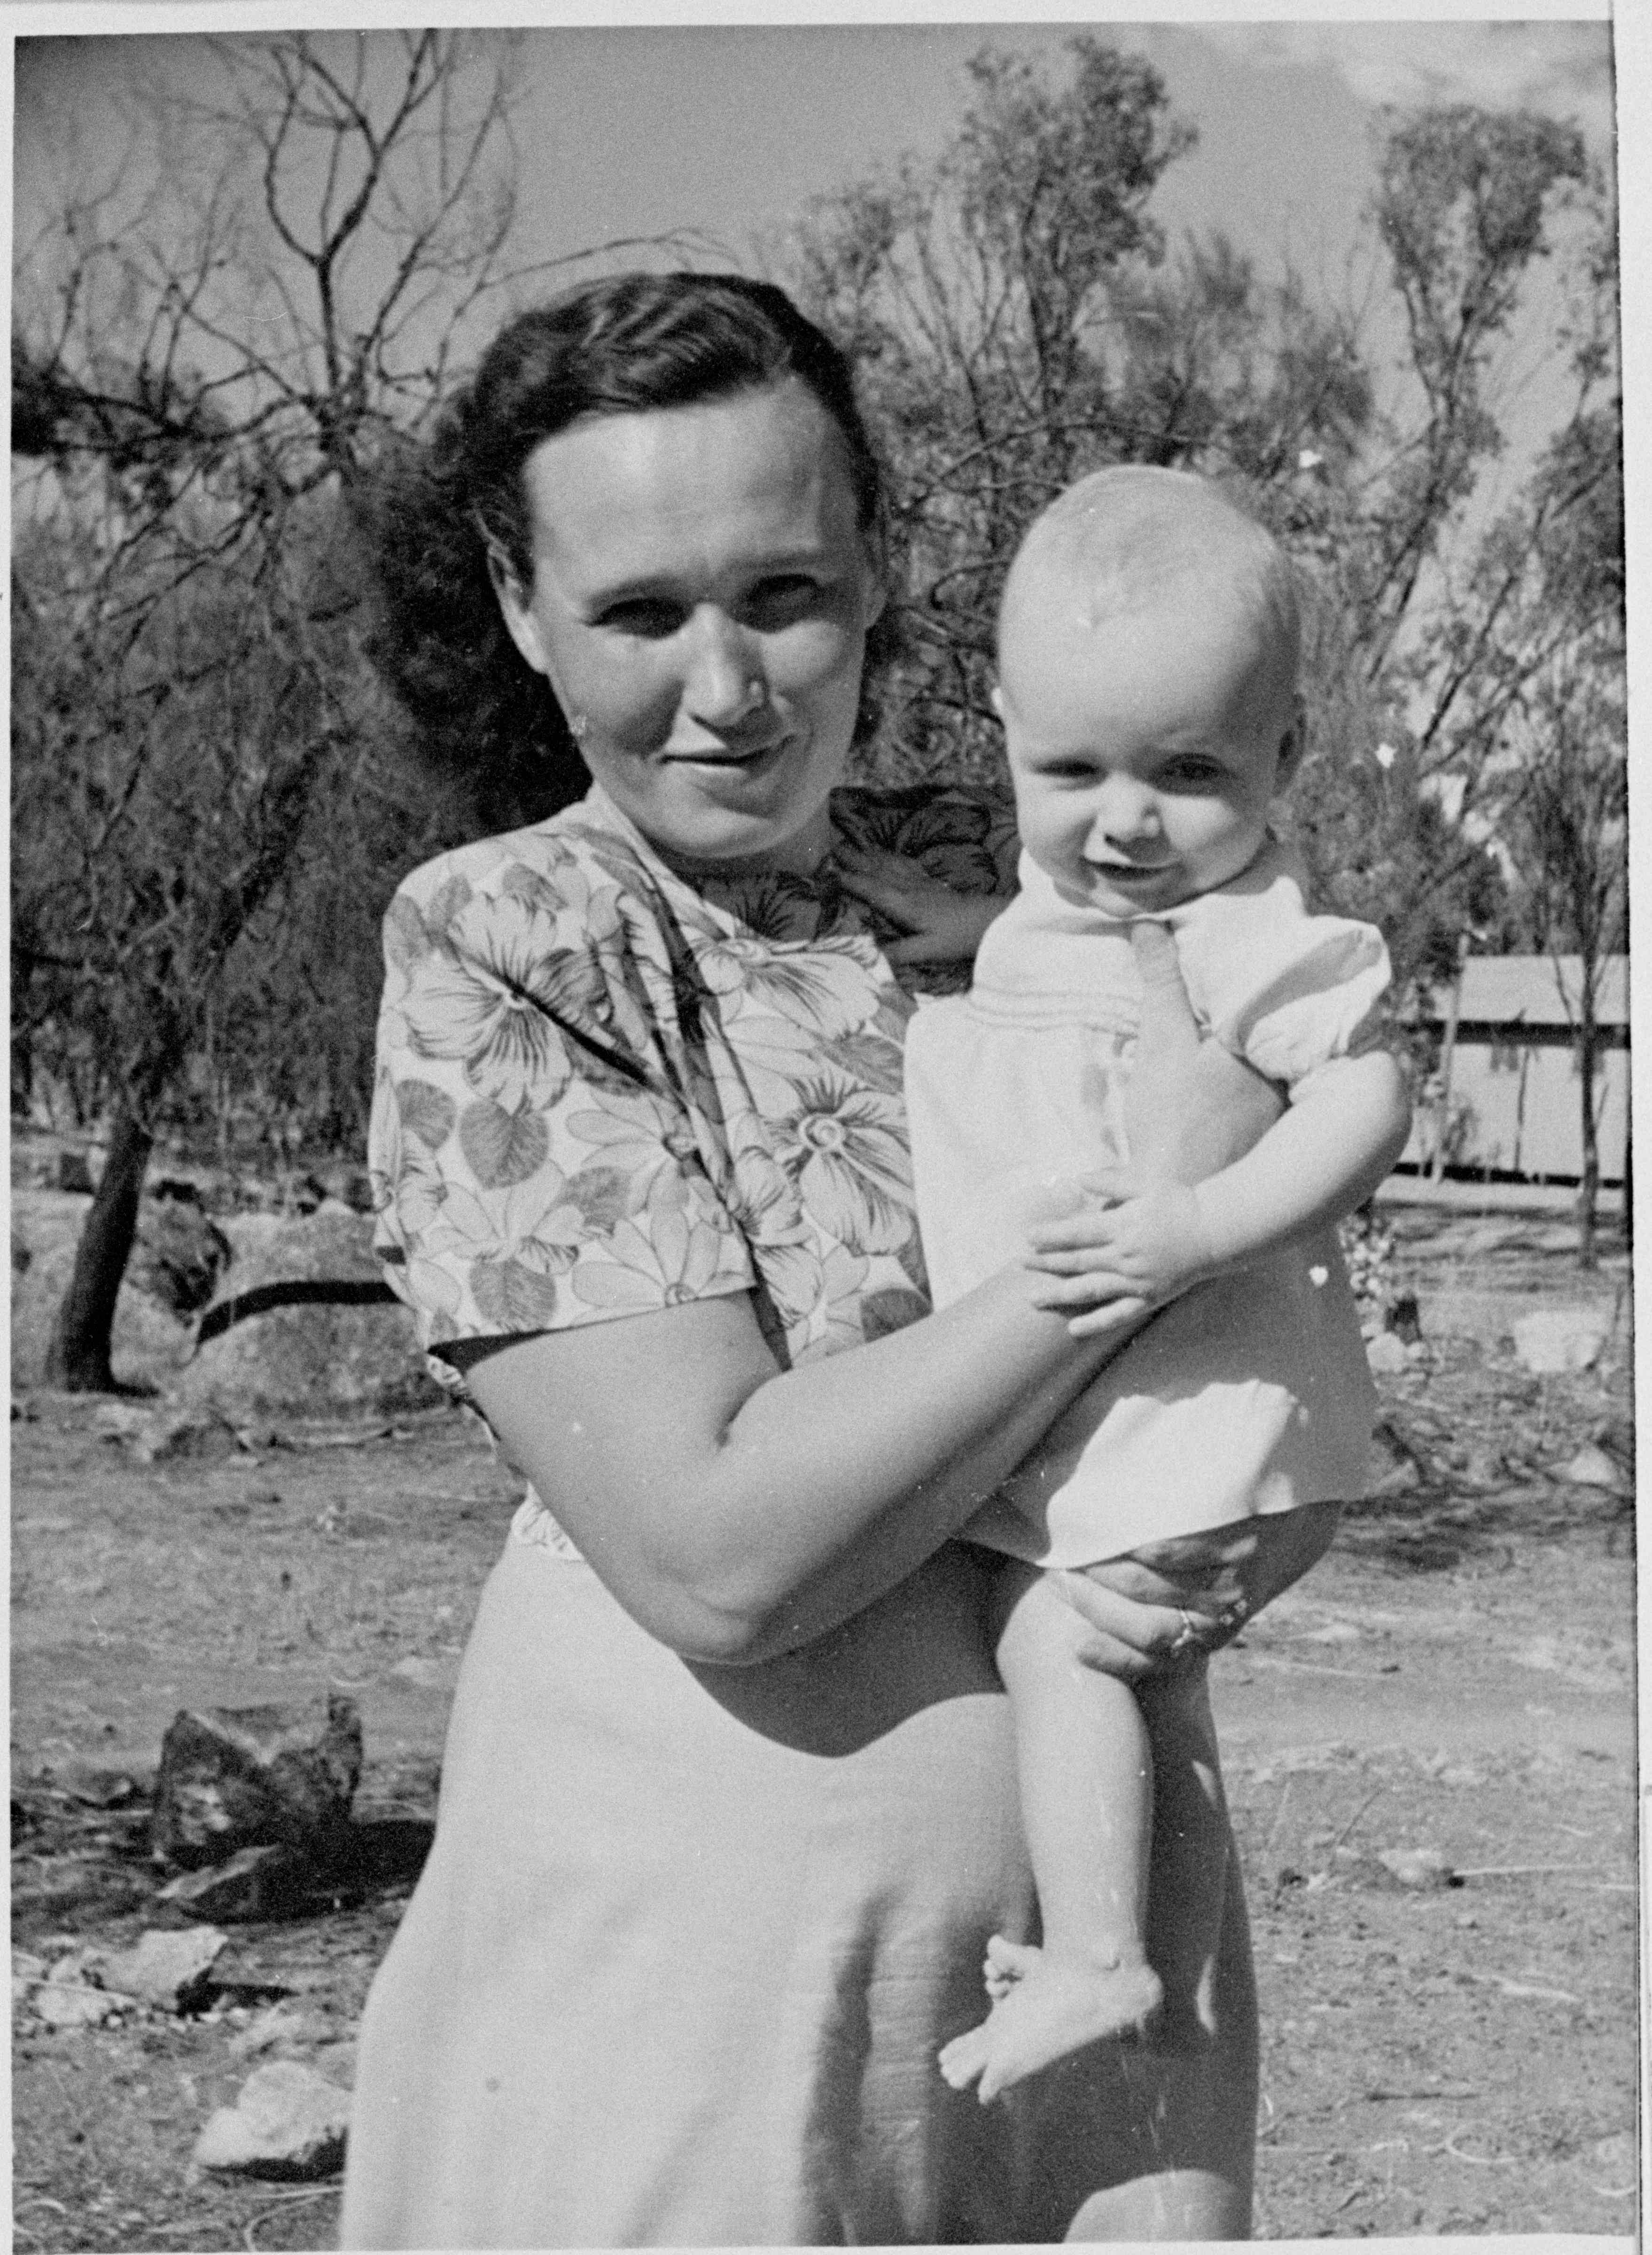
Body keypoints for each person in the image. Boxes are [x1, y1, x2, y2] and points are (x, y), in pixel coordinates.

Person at [340, 272, 1396, 2249]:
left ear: (877, 575)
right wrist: (1135, 1237)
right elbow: (720, 1552)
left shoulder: (1039, 859)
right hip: (705, 1996)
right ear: (518, 612)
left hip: (1085, 1983)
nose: (728, 687)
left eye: (786, 596)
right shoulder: (519, 939)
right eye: (644, 613)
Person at [863, 466, 1410, 2105]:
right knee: (1134, 1678)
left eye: (1187, 772)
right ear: (1007, 728)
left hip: (1214, 1413)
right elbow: (1065, 951)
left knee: (1065, 1647)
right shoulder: (1085, 902)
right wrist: (964, 922)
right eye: (1071, 769)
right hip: (1176, 1431)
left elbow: (1365, 1096)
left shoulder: (1249, 928)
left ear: (1285, 761)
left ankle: (1102, 1957)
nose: (1123, 821)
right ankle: (1151, 1981)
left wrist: (1203, 1225)